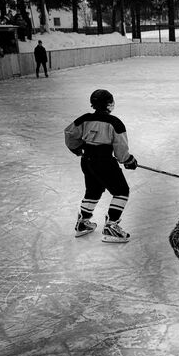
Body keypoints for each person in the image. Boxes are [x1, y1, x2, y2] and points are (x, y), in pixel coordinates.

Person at [64, 89, 138, 243]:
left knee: (93, 190)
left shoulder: (85, 119)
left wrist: (77, 149)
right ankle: (111, 226)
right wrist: (128, 160)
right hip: (104, 162)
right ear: (108, 104)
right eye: (111, 101)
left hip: (87, 161)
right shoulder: (115, 123)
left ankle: (83, 224)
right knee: (121, 191)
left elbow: (70, 133)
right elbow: (121, 150)